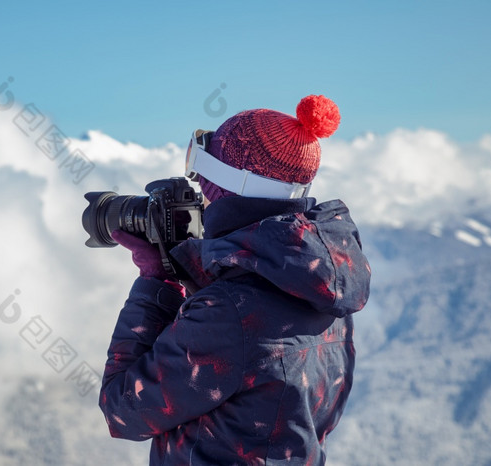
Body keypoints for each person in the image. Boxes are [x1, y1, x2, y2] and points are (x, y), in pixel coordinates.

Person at [99, 95, 371, 465]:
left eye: (201, 174)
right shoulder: (324, 279)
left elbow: (122, 410)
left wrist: (154, 283)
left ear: (224, 187)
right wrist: (198, 268)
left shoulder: (229, 312)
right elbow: (254, 360)